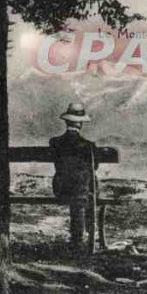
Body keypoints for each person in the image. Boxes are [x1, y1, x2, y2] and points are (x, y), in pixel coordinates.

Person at [49, 102, 98, 252]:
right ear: (81, 124)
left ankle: (78, 238)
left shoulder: (54, 142)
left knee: (81, 188)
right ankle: (82, 237)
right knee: (89, 186)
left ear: (66, 121)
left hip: (61, 189)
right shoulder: (88, 146)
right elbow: (94, 167)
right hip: (80, 191)